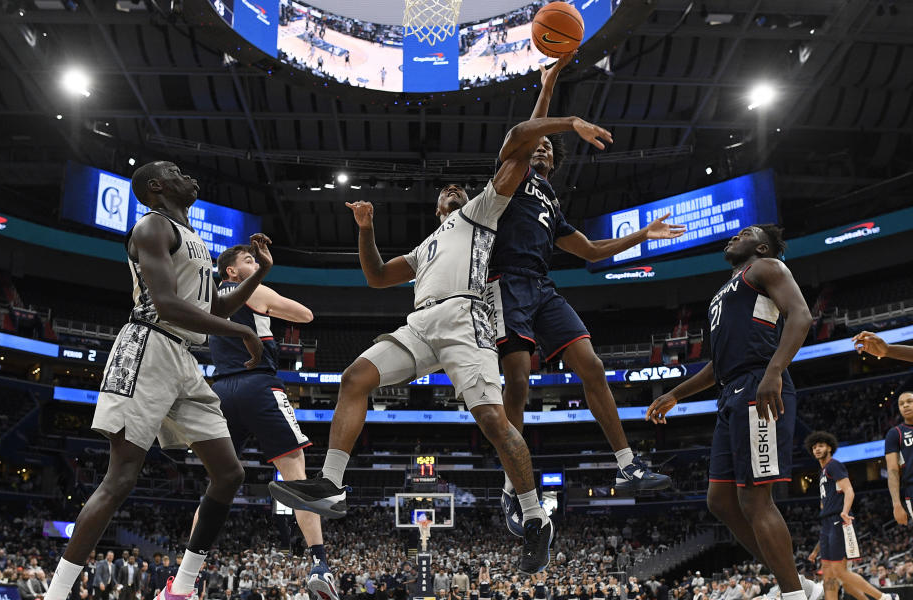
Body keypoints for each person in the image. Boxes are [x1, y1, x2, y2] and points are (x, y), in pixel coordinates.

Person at [269, 113, 614, 574]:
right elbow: (376, 277)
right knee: (354, 378)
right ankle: (330, 483)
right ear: (436, 207)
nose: (452, 191)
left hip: (465, 317)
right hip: (420, 323)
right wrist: (366, 229)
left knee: (493, 420)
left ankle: (534, 515)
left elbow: (515, 141)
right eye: (444, 192)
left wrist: (562, 123)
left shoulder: (483, 212)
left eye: (459, 189)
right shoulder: (427, 244)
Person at [42, 161, 272, 600]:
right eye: (178, 171)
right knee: (122, 477)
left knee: (229, 474)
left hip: (184, 358)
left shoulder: (197, 241)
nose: (191, 176)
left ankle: (180, 588)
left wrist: (259, 272)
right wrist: (244, 331)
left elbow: (213, 312)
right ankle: (56, 594)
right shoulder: (151, 227)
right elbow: (165, 304)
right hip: (147, 346)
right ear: (157, 187)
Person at [489, 54, 681, 534]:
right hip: (504, 283)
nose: (542, 150)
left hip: (541, 287)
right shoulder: (509, 176)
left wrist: (641, 235)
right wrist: (555, 94)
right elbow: (523, 132)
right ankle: (513, 486)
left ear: (554, 162)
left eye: (550, 149)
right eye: (540, 145)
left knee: (592, 365)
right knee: (518, 380)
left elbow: (592, 251)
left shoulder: (551, 199)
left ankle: (626, 462)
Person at [646, 225, 815, 600]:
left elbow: (801, 317)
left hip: (759, 384)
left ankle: (794, 594)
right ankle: (797, 582)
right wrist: (675, 393)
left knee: (756, 499)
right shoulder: (723, 292)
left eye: (745, 233)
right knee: (720, 500)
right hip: (731, 391)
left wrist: (773, 372)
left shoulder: (767, 267)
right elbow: (716, 366)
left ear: (762, 245)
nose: (734, 237)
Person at [208, 245, 337, 600]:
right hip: (258, 385)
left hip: (220, 390)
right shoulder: (254, 291)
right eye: (247, 261)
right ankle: (320, 564)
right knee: (296, 472)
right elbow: (305, 315)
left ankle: (186, 574)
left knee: (217, 482)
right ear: (231, 273)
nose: (255, 264)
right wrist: (267, 297)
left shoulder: (207, 298)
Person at [805, 431, 897, 600]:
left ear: (830, 448)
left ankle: (885, 598)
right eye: (814, 447)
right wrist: (815, 550)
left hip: (839, 520)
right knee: (828, 574)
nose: (817, 449)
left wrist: (845, 511)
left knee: (840, 571)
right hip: (827, 523)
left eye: (821, 445)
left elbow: (849, 490)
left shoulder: (834, 465)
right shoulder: (822, 472)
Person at [884, 390, 913, 525]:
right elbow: (892, 471)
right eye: (901, 404)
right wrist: (896, 504)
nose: (905, 406)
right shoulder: (895, 433)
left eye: (909, 402)